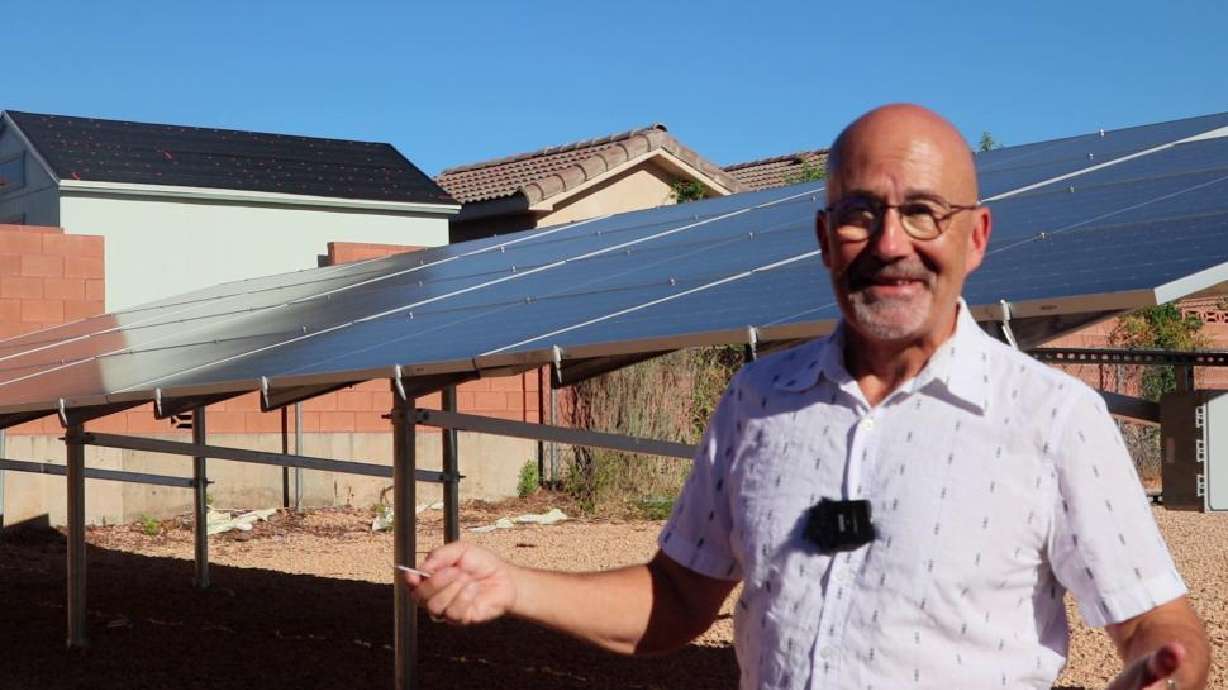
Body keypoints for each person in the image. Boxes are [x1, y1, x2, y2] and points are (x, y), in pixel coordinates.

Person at [402, 104, 1210, 689]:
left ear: (976, 238)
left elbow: (1158, 625)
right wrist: (516, 585)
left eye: (923, 214)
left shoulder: (1052, 419)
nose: (893, 244)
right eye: (861, 215)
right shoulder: (757, 402)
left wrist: (1163, 675)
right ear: (826, 240)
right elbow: (680, 597)